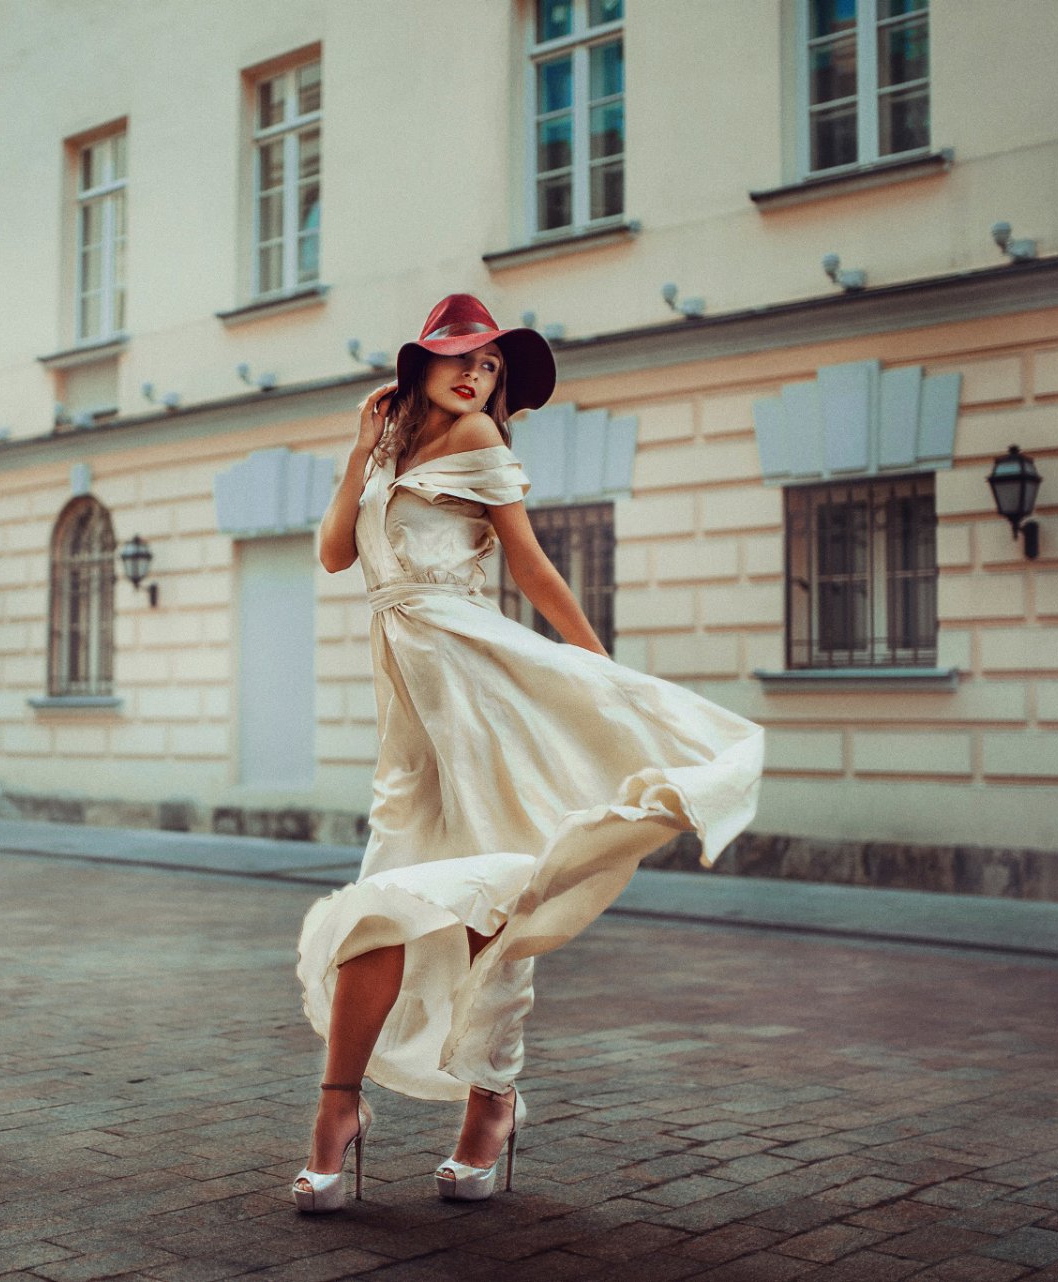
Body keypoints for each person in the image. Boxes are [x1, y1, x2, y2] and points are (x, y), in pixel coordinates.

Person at [291, 293, 765, 1212]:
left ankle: (490, 1105)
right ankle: (339, 1110)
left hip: (476, 689)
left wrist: (598, 674)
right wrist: (358, 455)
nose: (476, 375)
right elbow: (335, 554)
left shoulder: (480, 446)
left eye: (492, 367)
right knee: (380, 908)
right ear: (418, 364)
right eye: (461, 358)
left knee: (486, 910)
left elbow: (532, 565)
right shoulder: (390, 450)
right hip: (410, 711)